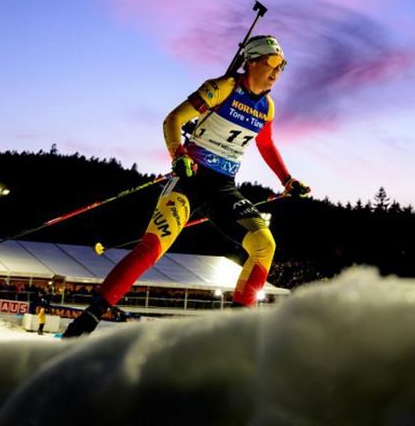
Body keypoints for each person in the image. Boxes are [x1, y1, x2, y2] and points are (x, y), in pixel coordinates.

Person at [63, 35, 310, 338]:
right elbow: (174, 119)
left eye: (282, 65)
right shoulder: (222, 88)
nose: (277, 71)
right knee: (152, 248)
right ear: (252, 61)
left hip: (223, 188)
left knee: (264, 245)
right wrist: (178, 155)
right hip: (190, 180)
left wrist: (287, 179)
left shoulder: (267, 107)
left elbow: (266, 144)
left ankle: (234, 331)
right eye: (272, 62)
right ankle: (88, 320)